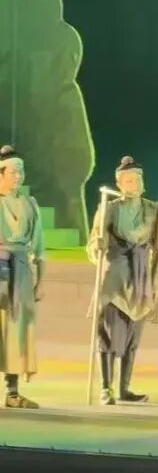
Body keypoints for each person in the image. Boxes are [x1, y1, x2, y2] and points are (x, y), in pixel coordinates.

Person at [87, 155, 158, 406]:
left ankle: (124, 387)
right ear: (120, 184)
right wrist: (97, 246)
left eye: (137, 179)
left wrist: (155, 279)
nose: (135, 184)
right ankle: (105, 387)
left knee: (132, 336)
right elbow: (94, 242)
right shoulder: (109, 207)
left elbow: (157, 247)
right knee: (109, 333)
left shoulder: (153, 208)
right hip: (115, 276)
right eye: (129, 181)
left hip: (139, 276)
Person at [0, 145, 44, 408]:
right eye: (13, 171)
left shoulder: (29, 204)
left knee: (17, 329)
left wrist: (41, 280)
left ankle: (12, 391)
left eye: (21, 171)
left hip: (21, 269)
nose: (18, 176)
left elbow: (39, 246)